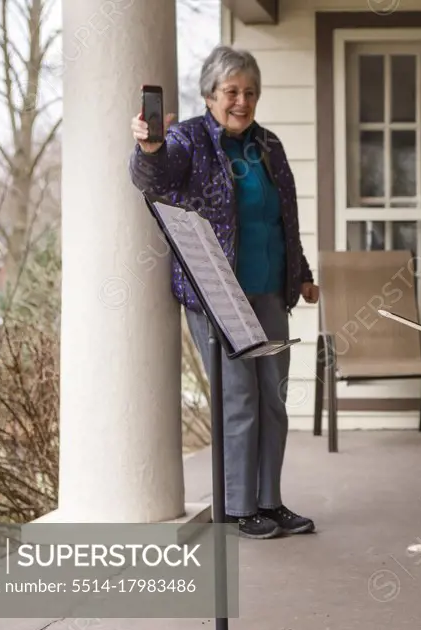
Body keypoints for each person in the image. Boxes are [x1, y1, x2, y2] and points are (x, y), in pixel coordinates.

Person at [128, 46, 318, 540]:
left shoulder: (268, 145)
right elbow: (155, 179)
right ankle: (237, 506)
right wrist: (149, 148)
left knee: (272, 399)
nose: (242, 101)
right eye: (231, 92)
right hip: (217, 295)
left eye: (250, 92)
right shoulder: (188, 139)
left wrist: (301, 273)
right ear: (210, 95)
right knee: (240, 399)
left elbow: (284, 218)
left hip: (269, 291)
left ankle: (269, 501)